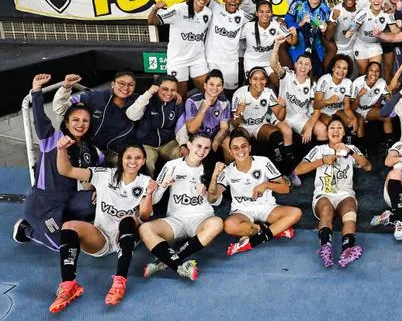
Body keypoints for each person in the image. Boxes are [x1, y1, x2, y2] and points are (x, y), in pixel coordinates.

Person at [49, 141, 156, 312]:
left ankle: (120, 281)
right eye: (128, 157)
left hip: (126, 234)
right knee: (69, 226)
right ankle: (68, 285)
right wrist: (61, 149)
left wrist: (149, 194)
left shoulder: (146, 182)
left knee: (128, 219)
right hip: (100, 237)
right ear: (121, 159)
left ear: (143, 161)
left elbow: (144, 215)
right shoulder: (104, 175)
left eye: (138, 158)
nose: (133, 161)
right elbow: (66, 170)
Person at [12, 74, 101, 251]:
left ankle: (73, 220)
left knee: (97, 201)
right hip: (45, 205)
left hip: (70, 199)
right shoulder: (51, 139)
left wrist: (100, 189)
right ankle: (25, 229)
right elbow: (39, 118)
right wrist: (36, 91)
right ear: (66, 123)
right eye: (75, 120)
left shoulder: (90, 149)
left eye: (85, 121)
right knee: (63, 245)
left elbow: (101, 171)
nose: (80, 124)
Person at [139, 134, 225, 280]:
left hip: (201, 219)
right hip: (176, 220)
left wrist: (206, 193)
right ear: (189, 145)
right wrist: (162, 186)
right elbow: (153, 201)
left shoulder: (211, 167)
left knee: (217, 223)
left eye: (206, 148)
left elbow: (216, 202)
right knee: (145, 229)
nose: (202, 151)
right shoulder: (172, 166)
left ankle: (167, 261)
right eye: (199, 146)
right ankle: (179, 264)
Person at [294, 117, 372, 267]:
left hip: (345, 194)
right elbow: (298, 170)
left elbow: (368, 166)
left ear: (344, 133)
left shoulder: (352, 149)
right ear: (327, 132)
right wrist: (322, 161)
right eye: (332, 128)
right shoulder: (319, 150)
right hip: (324, 194)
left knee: (350, 210)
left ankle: (347, 250)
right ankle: (325, 248)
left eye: (339, 128)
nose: (335, 131)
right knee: (326, 209)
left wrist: (349, 152)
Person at [208, 129, 301, 256]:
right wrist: (214, 176)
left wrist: (267, 184)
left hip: (267, 207)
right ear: (230, 151)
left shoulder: (263, 162)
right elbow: (212, 199)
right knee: (229, 226)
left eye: (243, 146)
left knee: (296, 213)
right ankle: (268, 229)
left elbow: (286, 188)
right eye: (235, 148)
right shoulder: (227, 171)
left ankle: (256, 240)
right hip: (242, 211)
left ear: (250, 148)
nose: (240, 151)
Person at [228, 67, 300, 186]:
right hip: (242, 126)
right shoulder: (240, 93)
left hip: (259, 125)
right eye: (255, 79)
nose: (259, 82)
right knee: (241, 139)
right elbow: (234, 124)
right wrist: (237, 113)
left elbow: (280, 117)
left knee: (276, 136)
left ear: (266, 80)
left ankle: (281, 172)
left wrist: (283, 106)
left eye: (262, 79)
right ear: (250, 80)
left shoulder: (268, 92)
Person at [53, 72, 138, 165]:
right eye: (121, 83)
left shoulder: (138, 104)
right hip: (86, 147)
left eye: (130, 85)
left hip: (115, 151)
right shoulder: (94, 97)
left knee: (131, 165)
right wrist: (66, 88)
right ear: (113, 84)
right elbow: (61, 108)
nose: (125, 88)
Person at [147, 0, 214, 98]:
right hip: (178, 60)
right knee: (179, 96)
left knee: (208, 92)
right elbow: (152, 21)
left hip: (197, 59)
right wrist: (155, 9)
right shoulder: (179, 9)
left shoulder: (208, 13)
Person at [270, 36, 327, 146]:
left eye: (306, 64)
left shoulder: (313, 85)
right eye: (300, 63)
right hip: (283, 116)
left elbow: (317, 110)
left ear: (310, 68)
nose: (303, 66)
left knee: (322, 129)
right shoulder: (286, 75)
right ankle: (289, 161)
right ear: (295, 65)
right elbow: (273, 64)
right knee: (287, 132)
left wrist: (309, 128)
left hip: (300, 117)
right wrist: (276, 45)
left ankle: (319, 157)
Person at [125, 75, 183, 174]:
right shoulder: (147, 100)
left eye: (173, 90)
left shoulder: (177, 103)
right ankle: (149, 188)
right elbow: (131, 115)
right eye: (165, 89)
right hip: (147, 144)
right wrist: (148, 93)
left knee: (185, 158)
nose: (169, 93)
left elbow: (181, 127)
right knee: (146, 165)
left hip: (168, 143)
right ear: (157, 88)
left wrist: (183, 144)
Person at [175, 69, 231, 162]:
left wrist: (216, 141)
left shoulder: (225, 102)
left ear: (222, 88)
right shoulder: (192, 101)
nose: (215, 88)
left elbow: (224, 128)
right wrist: (203, 108)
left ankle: (229, 172)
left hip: (214, 136)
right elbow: (192, 129)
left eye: (218, 85)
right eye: (211, 84)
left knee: (228, 143)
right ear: (205, 85)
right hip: (196, 136)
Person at [204, 0, 247, 91]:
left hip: (231, 64)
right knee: (211, 92)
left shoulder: (244, 16)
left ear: (240, 1)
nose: (233, 0)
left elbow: (261, 21)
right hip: (212, 60)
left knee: (229, 94)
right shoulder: (215, 7)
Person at [348, 0, 398, 73]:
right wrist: (352, 28)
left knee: (374, 71)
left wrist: (399, 25)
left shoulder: (387, 13)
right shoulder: (363, 12)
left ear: (383, 0)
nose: (376, 1)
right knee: (363, 72)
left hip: (375, 44)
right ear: (370, 0)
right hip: (361, 44)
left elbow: (395, 31)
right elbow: (351, 29)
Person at [242, 1, 293, 79]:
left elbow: (292, 41)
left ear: (272, 13)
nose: (265, 15)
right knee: (254, 83)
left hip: (269, 63)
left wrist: (294, 33)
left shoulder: (277, 25)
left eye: (268, 12)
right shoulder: (248, 26)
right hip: (251, 62)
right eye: (261, 12)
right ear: (256, 13)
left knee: (278, 83)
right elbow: (234, 38)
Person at [314, 55, 357, 140]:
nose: (341, 71)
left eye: (345, 68)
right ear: (333, 68)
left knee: (350, 122)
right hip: (323, 111)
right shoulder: (325, 80)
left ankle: (348, 147)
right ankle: (330, 150)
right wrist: (328, 101)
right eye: (338, 67)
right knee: (332, 126)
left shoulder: (348, 83)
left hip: (337, 110)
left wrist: (354, 119)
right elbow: (316, 105)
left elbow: (347, 107)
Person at [351, 62, 393, 149]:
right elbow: (352, 108)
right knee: (361, 120)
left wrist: (390, 95)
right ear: (366, 71)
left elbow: (388, 99)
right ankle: (361, 149)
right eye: (371, 70)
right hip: (356, 110)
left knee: (387, 117)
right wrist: (358, 96)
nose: (374, 74)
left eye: (377, 71)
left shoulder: (382, 82)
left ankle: (389, 146)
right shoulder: (357, 83)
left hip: (369, 110)